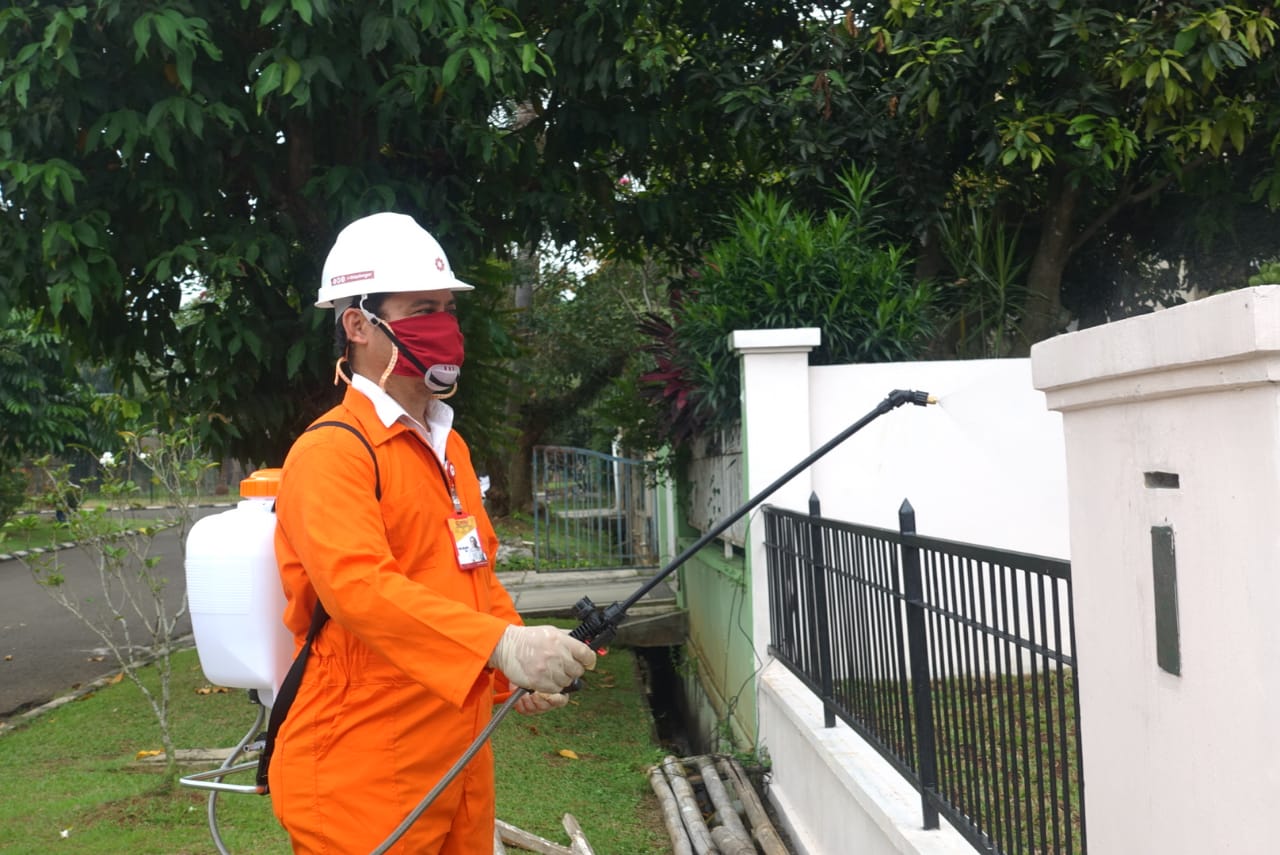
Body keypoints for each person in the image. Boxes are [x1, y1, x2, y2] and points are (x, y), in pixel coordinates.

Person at [269, 212, 597, 854]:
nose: (444, 326)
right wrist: (497, 648)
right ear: (357, 325)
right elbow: (359, 590)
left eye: (448, 308)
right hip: (361, 762)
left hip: (458, 751)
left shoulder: (450, 449)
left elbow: (473, 578)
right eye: (422, 308)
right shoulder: (333, 451)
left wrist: (511, 671)